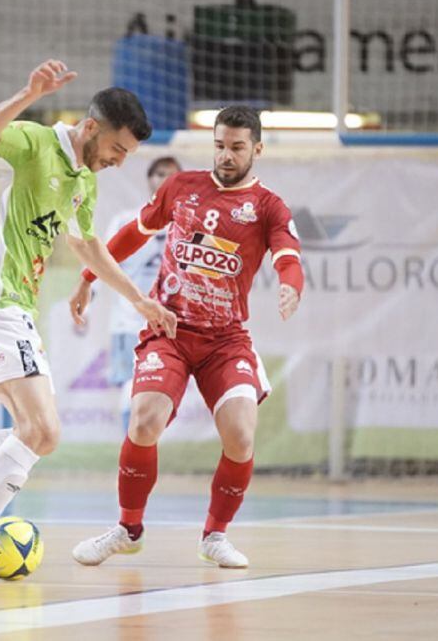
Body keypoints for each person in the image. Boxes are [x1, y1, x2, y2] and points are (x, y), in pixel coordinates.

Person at [0, 60, 177, 587]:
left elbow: (88, 244)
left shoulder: (83, 180)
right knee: (42, 430)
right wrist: (29, 92)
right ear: (92, 128)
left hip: (16, 308)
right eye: (117, 149)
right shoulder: (33, 142)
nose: (118, 161)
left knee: (36, 432)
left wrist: (138, 299)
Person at [68, 106, 304, 570]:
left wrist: (291, 284)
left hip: (226, 340)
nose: (226, 155)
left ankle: (215, 536)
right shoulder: (182, 187)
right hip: (169, 329)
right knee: (143, 422)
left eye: (237, 147)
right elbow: (134, 234)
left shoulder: (268, 206)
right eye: (219, 145)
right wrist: (87, 277)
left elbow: (287, 254)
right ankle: (127, 529)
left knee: (239, 436)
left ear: (257, 149)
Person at [101, 156, 182, 432]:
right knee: (130, 385)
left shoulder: (189, 227)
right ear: (149, 179)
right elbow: (102, 263)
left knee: (158, 393)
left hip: (168, 325)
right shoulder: (127, 221)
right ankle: (131, 452)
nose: (164, 180)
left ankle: (141, 452)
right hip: (129, 322)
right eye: (159, 174)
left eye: (171, 175)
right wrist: (88, 302)